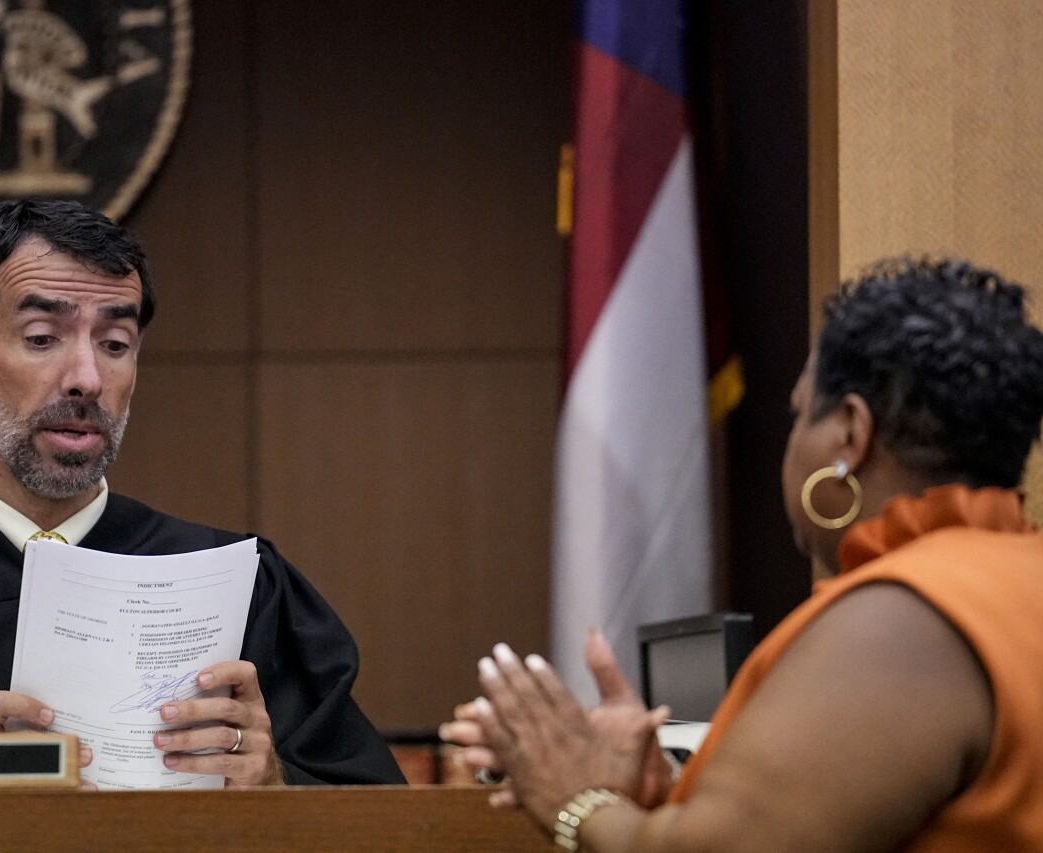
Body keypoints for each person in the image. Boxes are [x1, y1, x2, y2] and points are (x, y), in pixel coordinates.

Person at [0, 199, 404, 786]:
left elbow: (379, 817)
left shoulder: (235, 582)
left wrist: (279, 791)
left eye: (116, 344)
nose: (87, 378)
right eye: (43, 338)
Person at [442, 257, 1043, 849]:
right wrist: (665, 797)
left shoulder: (905, 619)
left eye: (800, 413)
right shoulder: (1009, 580)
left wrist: (576, 798)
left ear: (850, 436)